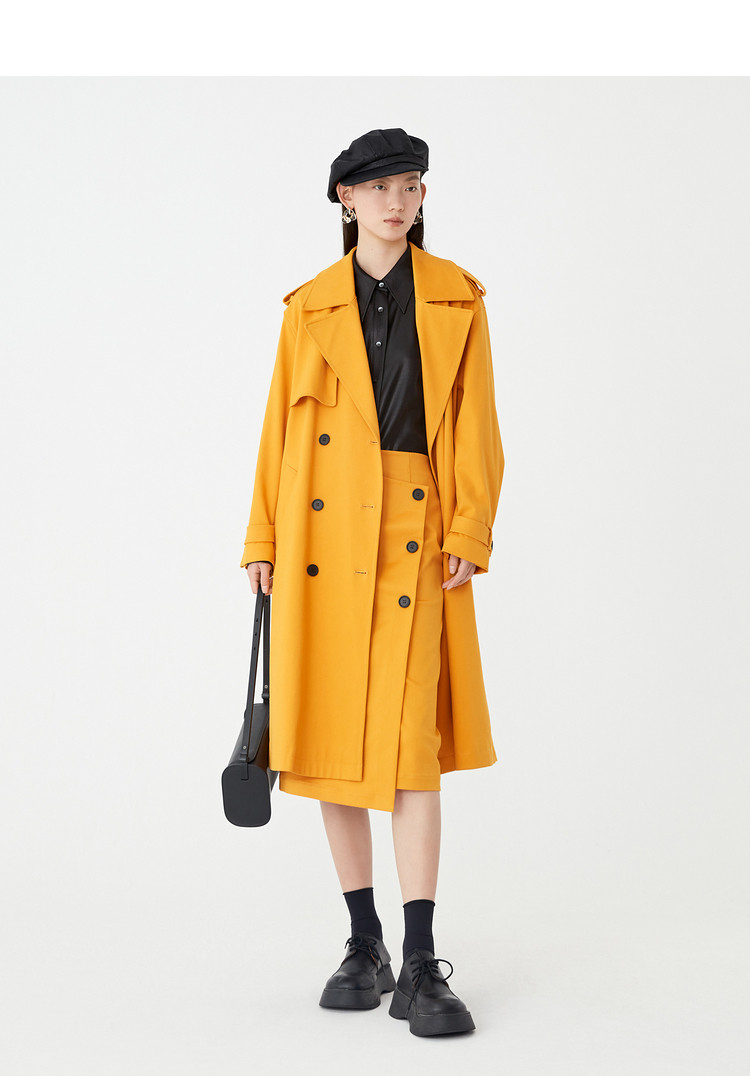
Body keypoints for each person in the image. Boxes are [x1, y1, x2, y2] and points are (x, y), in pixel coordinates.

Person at [239, 128, 504, 1037]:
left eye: (411, 185)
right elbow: (277, 431)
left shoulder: (458, 298)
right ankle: (365, 942)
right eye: (379, 187)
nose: (397, 201)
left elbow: (477, 424)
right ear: (345, 199)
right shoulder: (307, 307)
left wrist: (469, 526)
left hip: (415, 533)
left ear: (423, 198)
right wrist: (262, 537)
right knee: (331, 746)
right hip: (321, 533)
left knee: (409, 745)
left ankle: (421, 957)